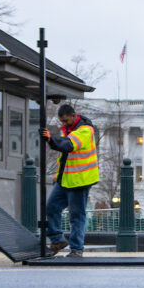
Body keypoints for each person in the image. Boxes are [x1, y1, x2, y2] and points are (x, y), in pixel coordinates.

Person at [42, 102, 99, 258]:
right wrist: (58, 174)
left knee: (77, 215)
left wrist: (50, 140)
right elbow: (65, 156)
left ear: (74, 116)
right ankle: (57, 240)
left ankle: (76, 249)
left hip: (80, 179)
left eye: (66, 121)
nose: (64, 124)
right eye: (62, 122)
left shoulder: (85, 130)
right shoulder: (68, 130)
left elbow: (69, 145)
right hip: (66, 178)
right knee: (52, 207)